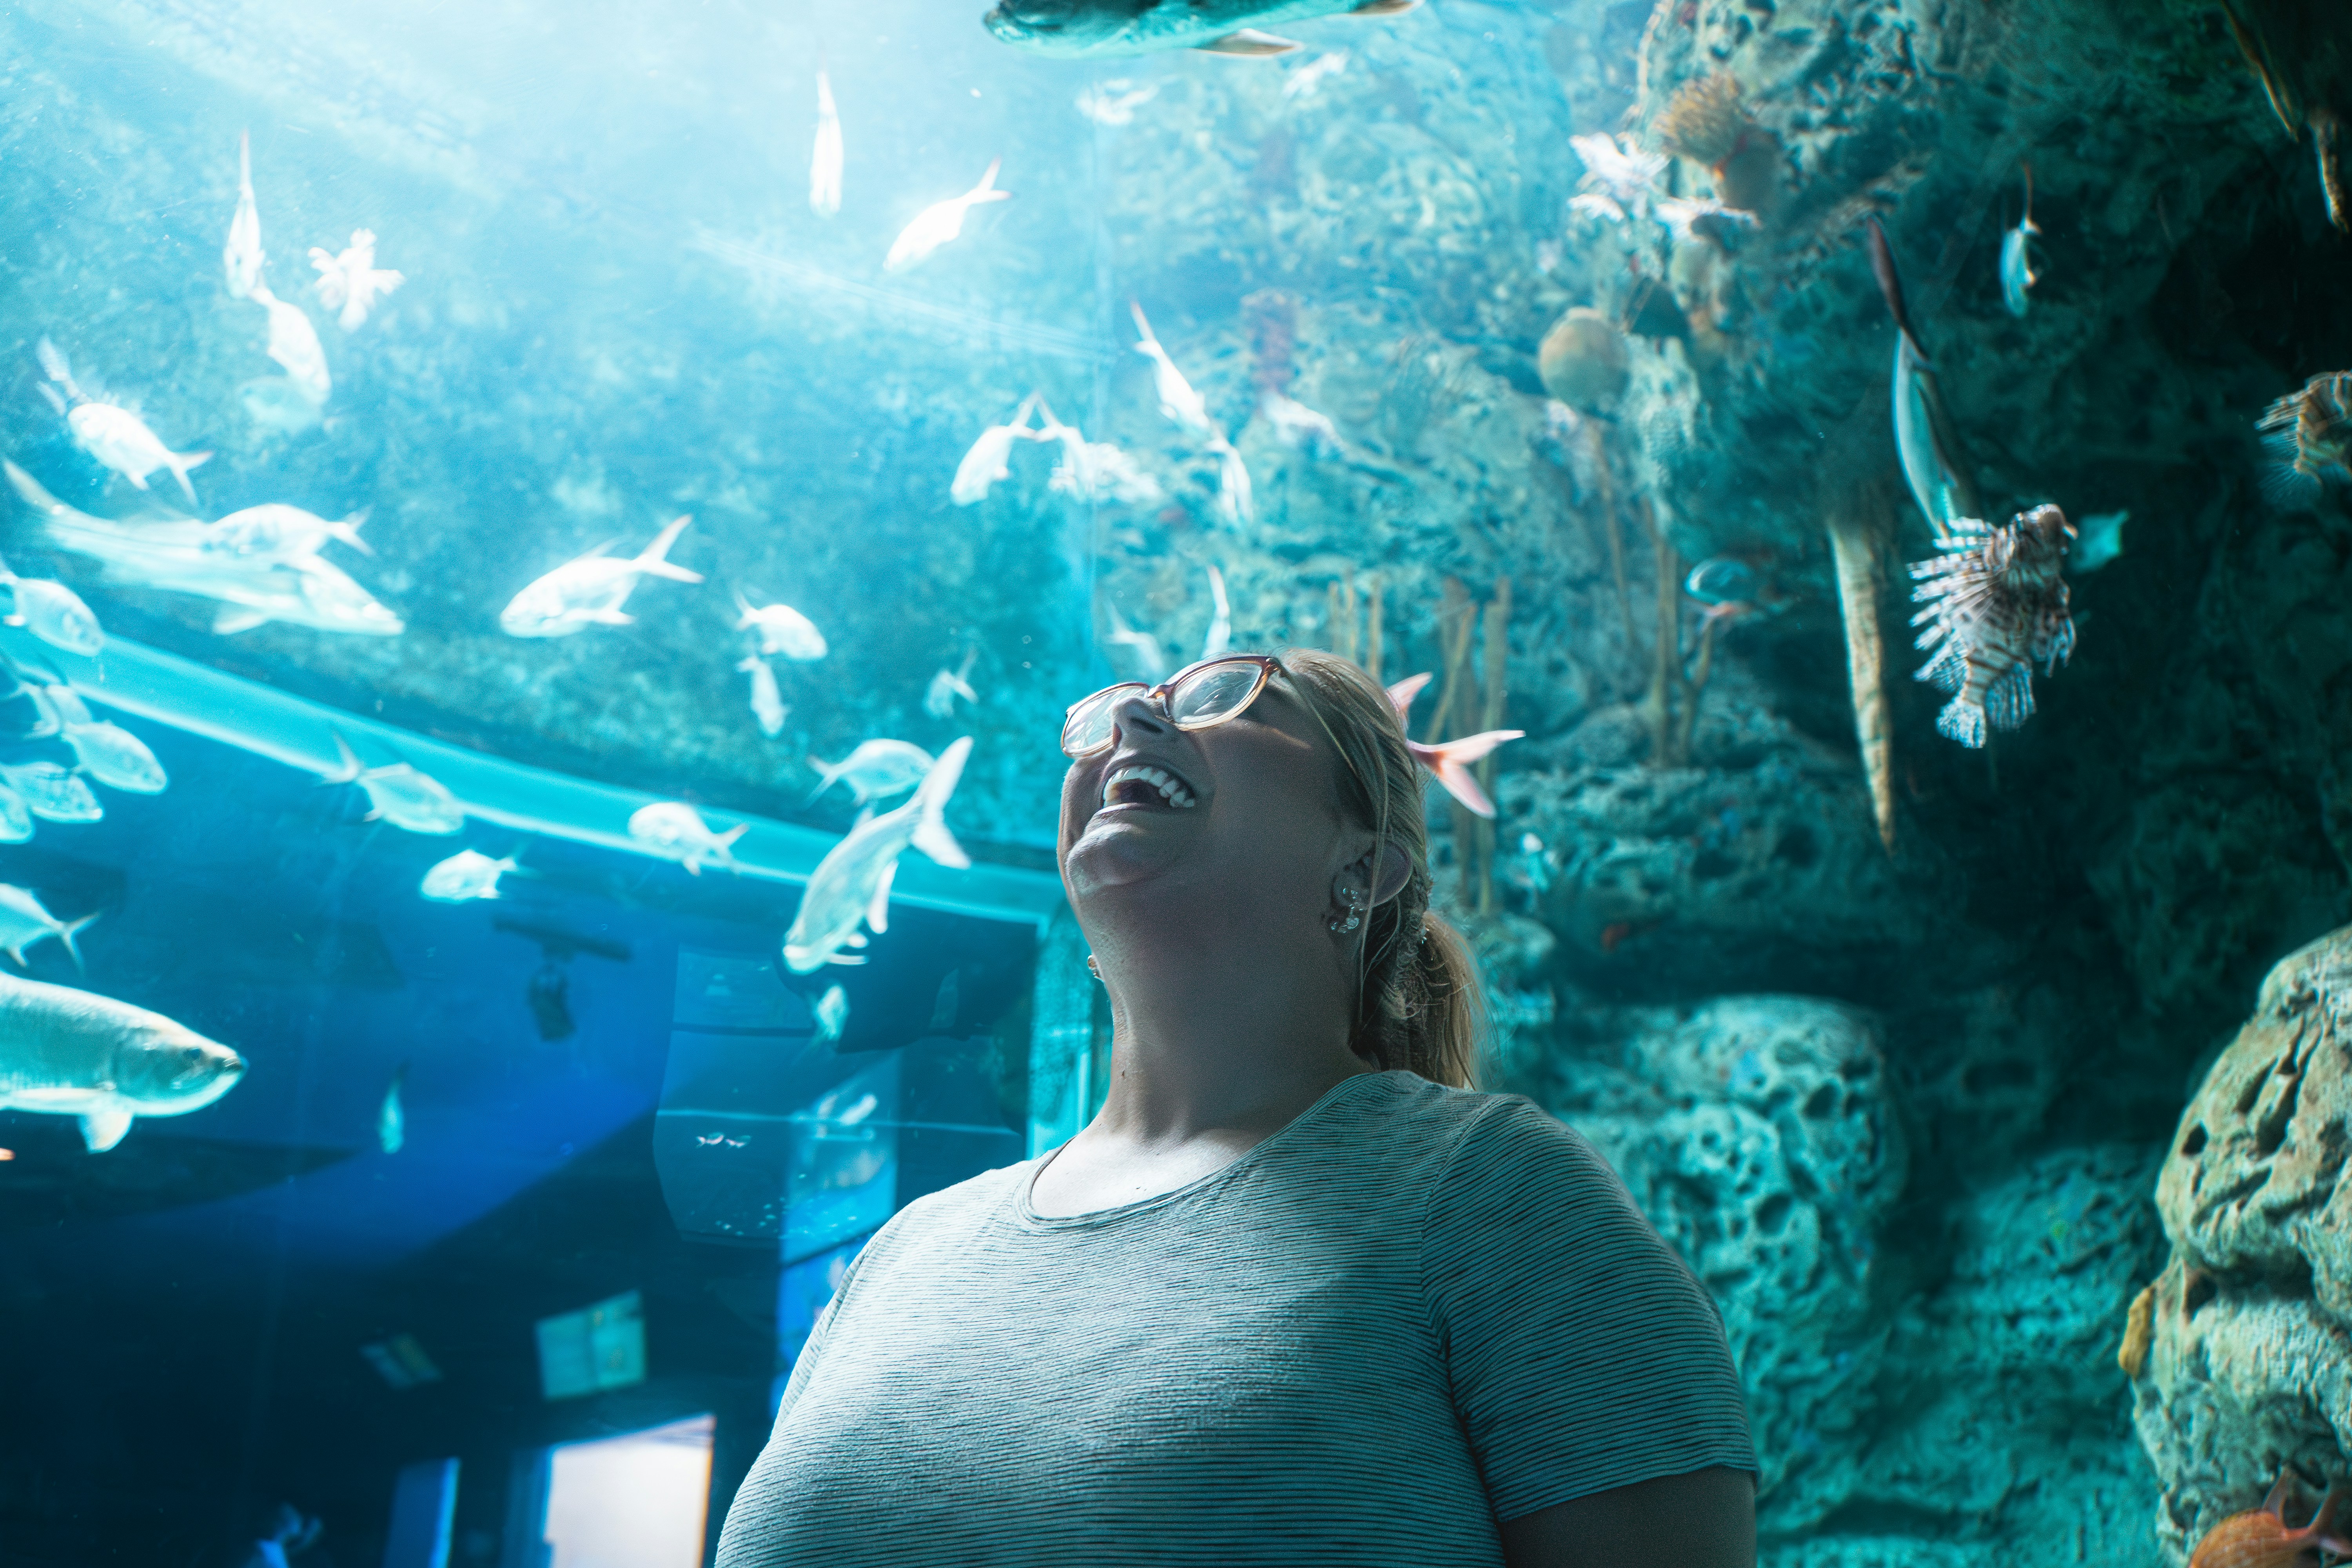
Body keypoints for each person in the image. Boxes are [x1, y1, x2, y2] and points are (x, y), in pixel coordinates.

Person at [717, 650, 1756, 1567]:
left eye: (1227, 699)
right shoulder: (907, 1252)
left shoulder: (1493, 1200)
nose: (1135, 722)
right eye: (1115, 709)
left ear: (1364, 871)